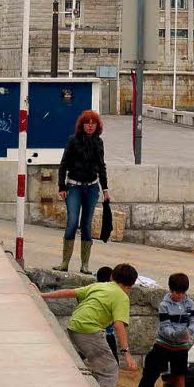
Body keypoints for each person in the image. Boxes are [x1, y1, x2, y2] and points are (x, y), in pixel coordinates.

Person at [40, 263, 138, 387]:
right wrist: (126, 353)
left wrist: (43, 295)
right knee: (109, 370)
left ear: (112, 277)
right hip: (89, 331)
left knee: (97, 365)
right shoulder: (122, 297)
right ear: (129, 286)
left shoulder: (99, 286)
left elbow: (70, 292)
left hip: (74, 326)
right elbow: (118, 325)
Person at [130, 272, 194, 387]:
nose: (179, 296)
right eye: (177, 292)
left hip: (181, 347)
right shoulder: (164, 305)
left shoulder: (190, 303)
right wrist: (179, 334)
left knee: (180, 377)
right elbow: (165, 327)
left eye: (182, 293)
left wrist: (190, 331)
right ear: (170, 290)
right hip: (163, 345)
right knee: (150, 375)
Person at [55, 110, 109, 274]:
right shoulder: (72, 141)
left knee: (86, 224)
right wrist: (62, 186)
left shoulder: (98, 143)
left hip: (92, 187)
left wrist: (105, 188)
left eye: (93, 123)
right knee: (72, 222)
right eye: (87, 123)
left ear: (97, 126)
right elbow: (63, 165)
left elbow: (101, 166)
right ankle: (65, 262)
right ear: (82, 125)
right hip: (74, 186)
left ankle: (84, 264)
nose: (90, 126)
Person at [95, 266, 119, 363]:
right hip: (104, 333)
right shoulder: (112, 294)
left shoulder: (94, 289)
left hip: (95, 332)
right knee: (114, 361)